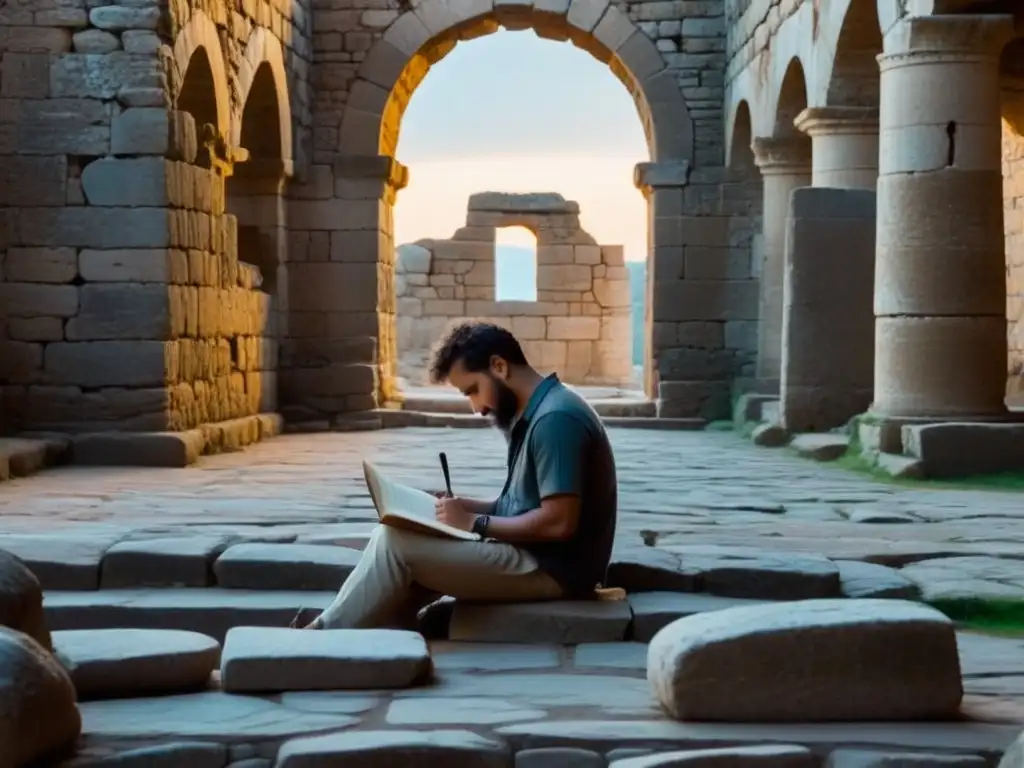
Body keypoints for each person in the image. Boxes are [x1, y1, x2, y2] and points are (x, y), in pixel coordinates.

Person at [297, 321, 619, 630]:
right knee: (393, 534)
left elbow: (558, 522)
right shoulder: (537, 411)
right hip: (534, 556)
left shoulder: (555, 419)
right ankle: (356, 620)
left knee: (395, 544)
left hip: (553, 572)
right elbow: (522, 505)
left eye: (473, 390)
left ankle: (324, 634)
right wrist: (468, 507)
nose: (476, 407)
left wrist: (472, 523)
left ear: (499, 367)